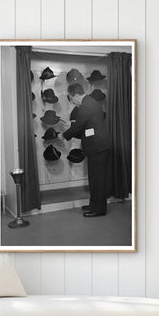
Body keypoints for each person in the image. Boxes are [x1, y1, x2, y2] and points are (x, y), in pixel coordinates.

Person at [62, 83, 110, 217]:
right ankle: (94, 204)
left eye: (72, 99)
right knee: (94, 179)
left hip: (98, 147)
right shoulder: (89, 103)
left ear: (76, 95)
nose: (73, 102)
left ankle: (99, 209)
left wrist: (64, 134)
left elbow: (78, 127)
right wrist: (71, 125)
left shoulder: (86, 105)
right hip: (96, 147)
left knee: (98, 180)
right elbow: (85, 125)